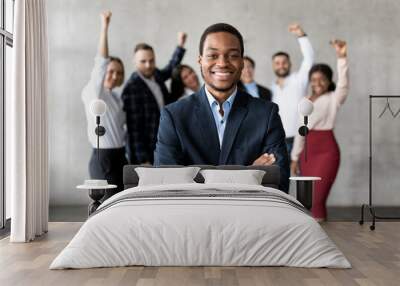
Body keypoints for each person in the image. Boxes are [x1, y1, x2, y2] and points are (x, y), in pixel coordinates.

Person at [154, 23, 290, 193]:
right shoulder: (174, 116)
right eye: (212, 55)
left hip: (249, 216)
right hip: (192, 216)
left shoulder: (266, 114)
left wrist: (201, 179)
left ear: (242, 62)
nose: (222, 63)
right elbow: (166, 185)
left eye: (232, 55)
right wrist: (248, 173)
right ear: (200, 60)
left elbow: (279, 180)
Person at [290, 40, 349, 221]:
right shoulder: (304, 101)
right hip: (307, 153)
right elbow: (300, 132)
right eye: (313, 79)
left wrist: (341, 57)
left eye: (321, 79)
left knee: (317, 200)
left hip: (326, 151)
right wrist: (295, 158)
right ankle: (311, 240)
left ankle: (326, 241)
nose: (317, 82)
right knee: (306, 201)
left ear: (328, 81)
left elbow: (344, 84)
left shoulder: (334, 98)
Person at [81, 11, 128, 200]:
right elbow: (100, 63)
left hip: (120, 156)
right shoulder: (94, 92)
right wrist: (105, 27)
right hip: (103, 158)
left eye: (119, 72)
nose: (115, 76)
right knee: (106, 204)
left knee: (122, 201)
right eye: (111, 71)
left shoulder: (116, 97)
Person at [121, 33, 187, 164]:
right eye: (143, 61)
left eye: (151, 60)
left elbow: (170, 69)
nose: (148, 65)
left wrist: (180, 45)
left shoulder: (155, 74)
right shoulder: (132, 88)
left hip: (163, 140)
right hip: (147, 151)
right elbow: (134, 129)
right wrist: (143, 159)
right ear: (134, 62)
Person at [271, 23, 314, 155]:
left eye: (284, 62)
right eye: (277, 63)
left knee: (301, 175)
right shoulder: (270, 89)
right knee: (280, 176)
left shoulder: (299, 80)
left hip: (299, 139)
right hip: (276, 142)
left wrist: (301, 35)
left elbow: (309, 59)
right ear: (273, 66)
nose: (281, 66)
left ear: (290, 64)